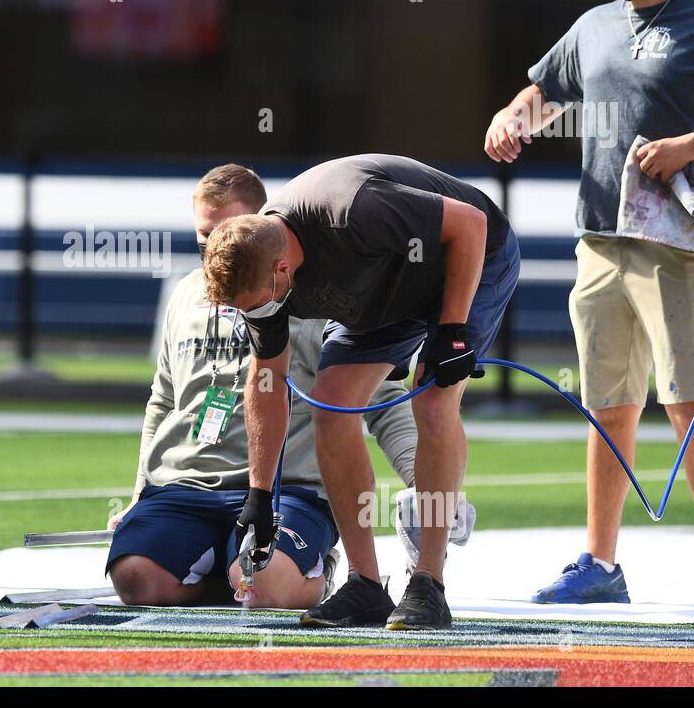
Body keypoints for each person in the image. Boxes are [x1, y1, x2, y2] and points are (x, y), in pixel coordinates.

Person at [485, 0, 694, 609]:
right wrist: (510, 118)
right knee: (607, 405)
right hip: (600, 242)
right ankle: (600, 564)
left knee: (686, 405)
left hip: (674, 243)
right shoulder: (593, 27)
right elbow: (541, 94)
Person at [203, 154, 518, 630]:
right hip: (380, 295)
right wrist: (260, 493)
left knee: (432, 399)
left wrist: (453, 330)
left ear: (283, 271)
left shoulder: (351, 209)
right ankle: (366, 585)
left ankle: (428, 583)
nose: (256, 314)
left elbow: (470, 224)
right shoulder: (259, 274)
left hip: (467, 259)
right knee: (331, 405)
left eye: (256, 304)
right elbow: (267, 379)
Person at [107, 164, 422, 610]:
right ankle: (226, 572)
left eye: (228, 235)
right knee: (136, 581)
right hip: (186, 484)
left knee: (266, 588)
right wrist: (140, 489)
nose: (215, 250)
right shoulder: (185, 294)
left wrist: (422, 484)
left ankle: (311, 573)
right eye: (204, 238)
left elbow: (383, 399)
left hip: (287, 489)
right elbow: (163, 398)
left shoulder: (319, 298)